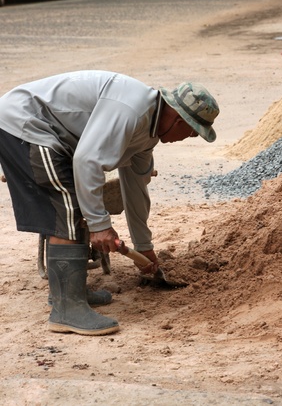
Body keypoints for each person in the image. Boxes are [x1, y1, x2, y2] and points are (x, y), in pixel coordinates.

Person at [0, 71, 220, 336]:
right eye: (194, 130)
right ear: (176, 116)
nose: (193, 137)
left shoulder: (148, 133)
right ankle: (66, 310)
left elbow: (136, 187)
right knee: (68, 207)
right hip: (25, 123)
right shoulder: (133, 110)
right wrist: (100, 226)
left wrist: (144, 247)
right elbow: (87, 161)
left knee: (80, 205)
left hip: (51, 133)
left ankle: (70, 292)